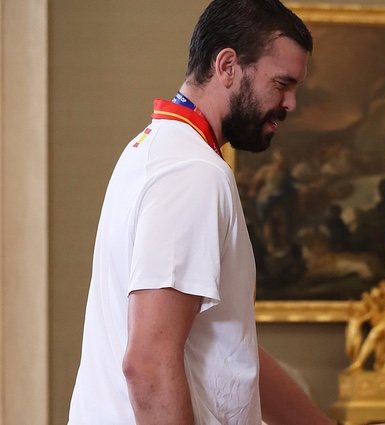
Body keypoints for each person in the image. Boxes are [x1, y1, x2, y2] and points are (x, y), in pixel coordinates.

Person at [68, 1, 333, 424]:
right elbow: (148, 364)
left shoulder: (152, 149)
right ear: (227, 65)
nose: (291, 103)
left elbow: (227, 345)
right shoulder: (193, 172)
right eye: (281, 84)